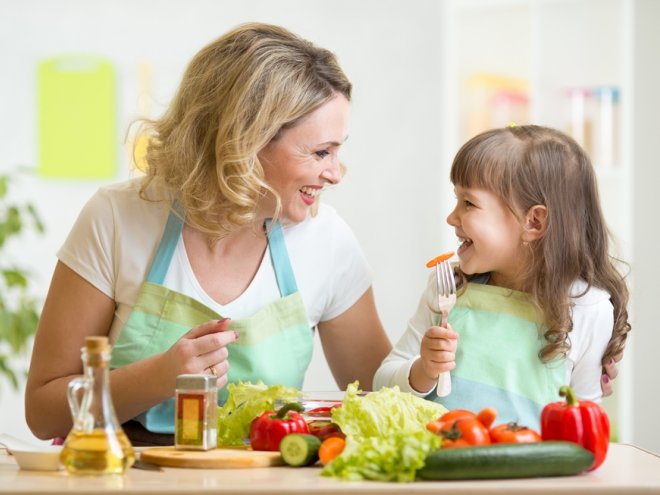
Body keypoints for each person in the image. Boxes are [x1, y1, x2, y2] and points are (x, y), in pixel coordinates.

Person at [25, 22, 391, 445]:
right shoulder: (117, 218)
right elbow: (43, 412)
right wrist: (156, 379)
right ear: (245, 142)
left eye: (338, 149)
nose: (334, 174)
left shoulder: (328, 242)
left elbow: (380, 399)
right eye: (321, 152)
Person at [374, 124, 630, 429]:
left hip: (533, 475)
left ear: (533, 221)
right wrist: (423, 371)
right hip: (440, 471)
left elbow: (585, 420)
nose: (451, 217)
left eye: (468, 203)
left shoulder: (589, 308)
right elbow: (382, 383)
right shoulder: (448, 289)